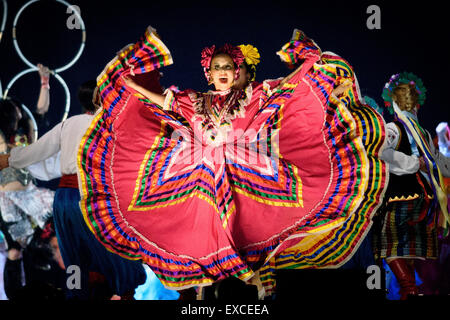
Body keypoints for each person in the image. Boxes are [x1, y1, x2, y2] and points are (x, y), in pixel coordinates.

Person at [76, 26, 387, 293]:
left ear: (236, 71)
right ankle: (208, 297)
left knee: (249, 234)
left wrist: (306, 65)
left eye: (227, 67)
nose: (222, 72)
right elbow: (163, 103)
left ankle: (251, 293)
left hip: (244, 171)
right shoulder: (194, 99)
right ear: (207, 73)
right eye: (217, 68)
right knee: (202, 239)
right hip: (200, 174)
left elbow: (285, 89)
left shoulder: (251, 96)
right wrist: (129, 84)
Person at [0, 80, 147, 300]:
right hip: (92, 198)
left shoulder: (69, 124)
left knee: (73, 253)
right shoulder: (112, 125)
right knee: (113, 248)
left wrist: (9, 159)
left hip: (65, 199)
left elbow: (37, 152)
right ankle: (122, 292)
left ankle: (77, 293)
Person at [372, 72, 450, 300]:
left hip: (401, 198)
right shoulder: (421, 132)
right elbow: (439, 163)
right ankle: (410, 291)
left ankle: (410, 289)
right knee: (405, 253)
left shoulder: (393, 128)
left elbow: (380, 153)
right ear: (416, 105)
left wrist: (415, 163)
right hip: (424, 201)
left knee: (387, 246)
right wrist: (420, 163)